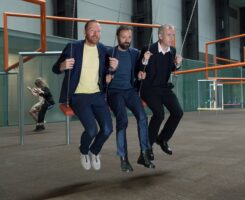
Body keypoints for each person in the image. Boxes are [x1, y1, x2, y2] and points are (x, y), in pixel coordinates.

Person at [52, 20, 118, 171]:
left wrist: (113, 70)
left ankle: (94, 151)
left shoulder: (102, 49)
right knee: (91, 130)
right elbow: (55, 68)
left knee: (107, 129)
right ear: (85, 32)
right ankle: (83, 151)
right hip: (78, 96)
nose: (96, 34)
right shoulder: (73, 47)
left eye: (98, 31)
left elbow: (108, 72)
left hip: (97, 95)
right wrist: (62, 66)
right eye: (92, 30)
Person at [106, 25, 155, 172]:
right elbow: (102, 74)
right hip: (114, 92)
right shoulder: (109, 52)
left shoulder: (134, 53)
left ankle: (144, 154)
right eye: (123, 37)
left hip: (130, 91)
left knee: (142, 117)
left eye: (129, 37)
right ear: (117, 37)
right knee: (123, 120)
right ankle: (124, 158)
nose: (127, 40)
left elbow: (140, 69)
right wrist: (107, 75)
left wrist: (141, 73)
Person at [139, 24, 184, 160]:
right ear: (160, 36)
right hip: (149, 88)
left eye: (173, 35)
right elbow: (140, 69)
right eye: (169, 35)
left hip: (164, 88)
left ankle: (162, 139)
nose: (172, 38)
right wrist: (145, 60)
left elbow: (171, 68)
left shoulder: (173, 51)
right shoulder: (148, 49)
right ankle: (147, 148)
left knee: (178, 112)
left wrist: (177, 64)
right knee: (159, 114)